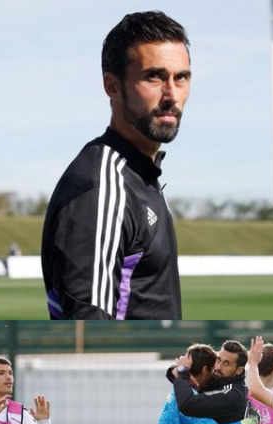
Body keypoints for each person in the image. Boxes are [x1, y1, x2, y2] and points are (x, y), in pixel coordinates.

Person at [42, 11, 191, 320]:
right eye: (154, 77)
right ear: (112, 86)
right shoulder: (100, 187)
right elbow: (88, 327)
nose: (171, 95)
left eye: (181, 78)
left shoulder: (141, 174)